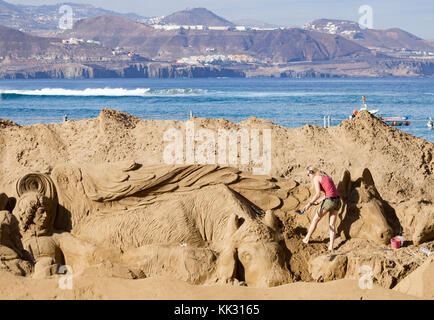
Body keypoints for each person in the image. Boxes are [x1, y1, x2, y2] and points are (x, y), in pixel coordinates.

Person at [301, 166, 341, 251]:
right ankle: (331, 246)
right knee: (332, 224)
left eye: (308, 174)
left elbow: (318, 194)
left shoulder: (316, 178)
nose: (308, 176)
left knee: (315, 219)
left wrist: (309, 203)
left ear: (312, 173)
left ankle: (306, 238)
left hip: (330, 201)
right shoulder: (327, 177)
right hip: (337, 201)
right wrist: (318, 202)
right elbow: (330, 193)